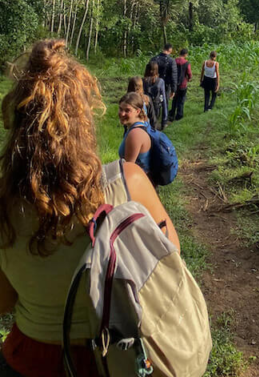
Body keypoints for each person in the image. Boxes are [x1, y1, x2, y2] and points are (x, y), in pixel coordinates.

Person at [0, 39, 179, 377]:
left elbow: (3, 301)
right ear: (83, 120)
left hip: (29, 359)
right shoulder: (128, 181)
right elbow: (169, 257)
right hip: (113, 359)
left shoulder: (4, 200)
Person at [118, 92, 153, 176]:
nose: (122, 114)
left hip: (137, 183)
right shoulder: (144, 123)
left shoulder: (135, 134)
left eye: (127, 110)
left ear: (137, 111)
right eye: (120, 109)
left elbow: (128, 170)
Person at [143, 60, 168, 130]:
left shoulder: (142, 81)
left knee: (145, 124)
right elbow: (163, 100)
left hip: (145, 105)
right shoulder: (160, 81)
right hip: (156, 105)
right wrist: (164, 120)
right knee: (154, 125)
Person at [170, 48, 192, 122]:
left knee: (174, 99)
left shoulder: (174, 61)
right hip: (183, 84)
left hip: (174, 83)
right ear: (185, 54)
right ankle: (179, 115)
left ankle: (171, 114)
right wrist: (189, 78)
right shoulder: (186, 63)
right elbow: (189, 73)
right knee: (181, 100)